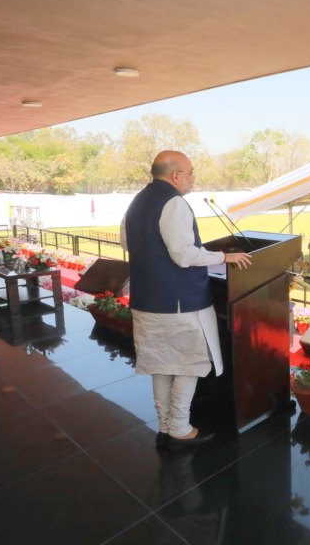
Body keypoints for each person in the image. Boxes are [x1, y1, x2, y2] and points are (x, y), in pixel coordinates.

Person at [121, 151, 252, 450]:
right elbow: (184, 255)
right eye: (191, 172)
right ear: (176, 175)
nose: (193, 178)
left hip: (146, 300)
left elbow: (128, 243)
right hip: (179, 303)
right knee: (187, 365)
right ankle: (179, 428)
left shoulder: (137, 201)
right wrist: (225, 256)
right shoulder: (175, 203)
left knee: (161, 365)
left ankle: (165, 424)